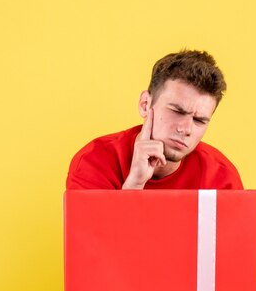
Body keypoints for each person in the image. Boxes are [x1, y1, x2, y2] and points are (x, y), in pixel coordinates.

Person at [66, 49, 243, 190]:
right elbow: (93, 236)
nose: (186, 129)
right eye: (177, 111)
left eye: (199, 120)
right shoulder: (94, 162)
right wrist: (134, 184)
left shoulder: (221, 177)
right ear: (145, 104)